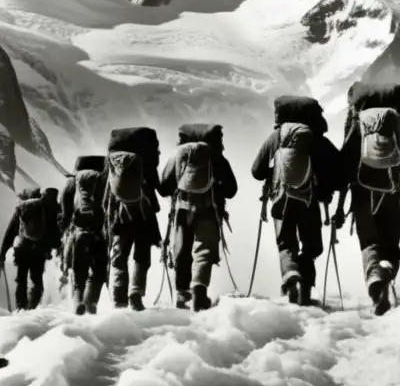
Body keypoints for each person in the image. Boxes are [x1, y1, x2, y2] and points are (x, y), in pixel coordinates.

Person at [333, 81, 400, 316]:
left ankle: (375, 276)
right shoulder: (397, 124)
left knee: (370, 243)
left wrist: (339, 207)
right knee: (392, 242)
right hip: (391, 191)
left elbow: (344, 166)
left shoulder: (358, 124)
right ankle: (386, 270)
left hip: (361, 192)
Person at [251, 95, 336, 306]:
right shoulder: (315, 137)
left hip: (281, 198)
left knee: (286, 243)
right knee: (311, 246)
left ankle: (290, 274)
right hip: (309, 199)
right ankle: (305, 292)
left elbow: (256, 170)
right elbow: (336, 170)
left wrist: (274, 172)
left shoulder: (277, 136)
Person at [157, 123, 238, 311]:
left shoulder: (178, 155)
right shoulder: (217, 157)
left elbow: (163, 187)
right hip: (209, 210)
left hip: (182, 211)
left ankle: (182, 294)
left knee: (182, 250)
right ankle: (199, 290)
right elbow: (231, 190)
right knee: (204, 250)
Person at [105, 127, 162, 310]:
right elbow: (157, 186)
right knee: (141, 255)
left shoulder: (113, 161)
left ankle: (119, 297)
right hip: (144, 213)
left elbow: (107, 189)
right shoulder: (145, 161)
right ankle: (135, 293)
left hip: (120, 216)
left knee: (120, 256)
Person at [59, 155, 109, 315]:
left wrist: (64, 229)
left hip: (79, 233)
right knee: (98, 272)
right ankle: (91, 304)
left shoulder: (71, 182)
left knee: (79, 270)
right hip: (99, 233)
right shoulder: (104, 179)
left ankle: (79, 301)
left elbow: (65, 212)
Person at [0, 187, 51, 310]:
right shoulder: (43, 208)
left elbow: (10, 232)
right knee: (36, 280)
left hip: (22, 249)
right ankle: (32, 307)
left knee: (21, 279)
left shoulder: (21, 209)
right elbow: (50, 230)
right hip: (39, 250)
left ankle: (21, 307)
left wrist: (2, 254)